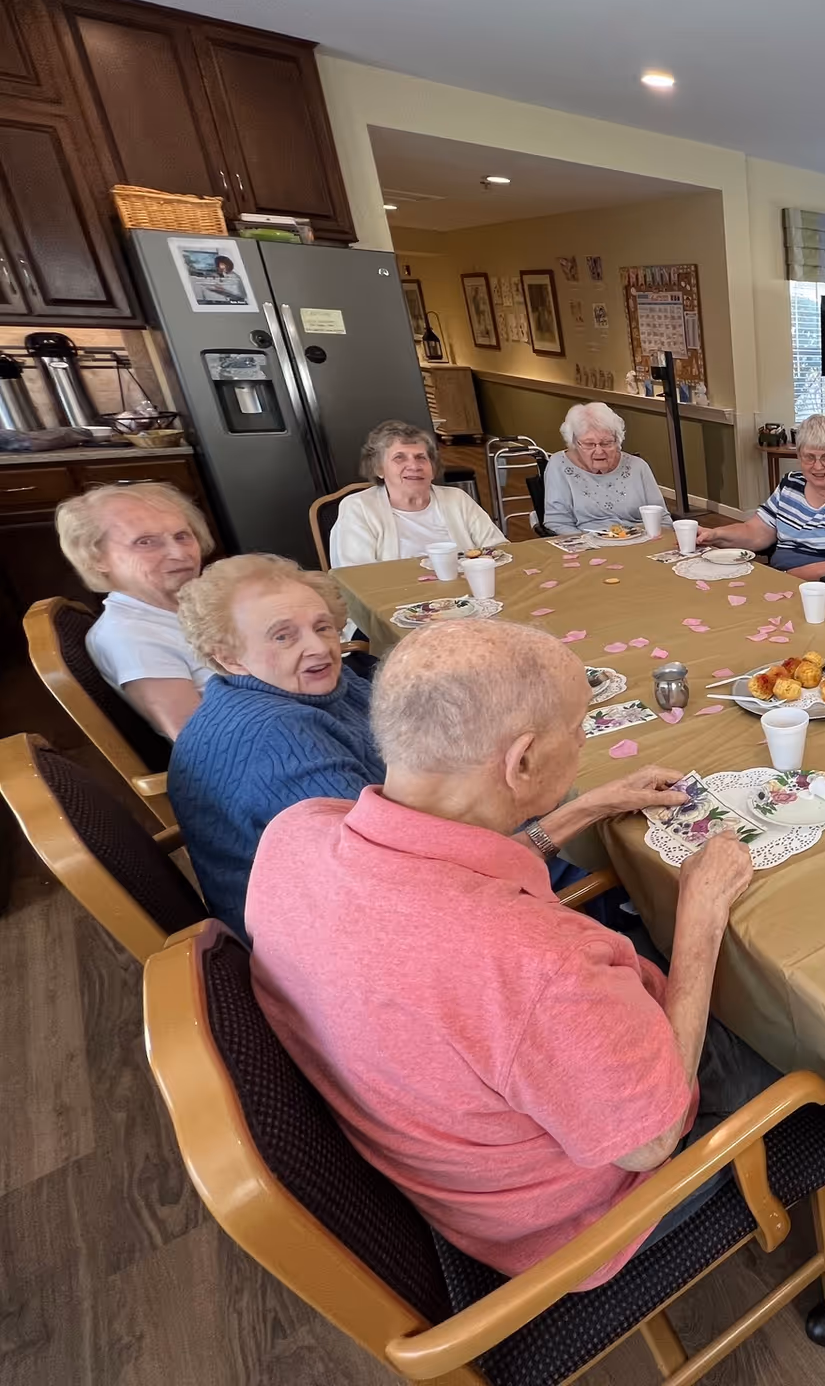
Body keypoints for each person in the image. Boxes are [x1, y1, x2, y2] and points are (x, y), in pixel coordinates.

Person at [247, 619, 778, 1289]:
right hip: (576, 1227)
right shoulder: (535, 963)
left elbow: (445, 882)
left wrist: (583, 812)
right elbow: (651, 1143)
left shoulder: (298, 832)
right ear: (521, 761)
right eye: (581, 730)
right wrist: (698, 919)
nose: (584, 746)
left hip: (450, 1157)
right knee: (789, 1038)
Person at [169, 556, 382, 938]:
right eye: (283, 636)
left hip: (346, 892)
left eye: (323, 627)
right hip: (318, 938)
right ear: (229, 657)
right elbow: (383, 866)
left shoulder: (321, 688)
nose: (319, 647)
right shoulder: (278, 735)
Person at [54, 481, 215, 739]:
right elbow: (201, 741)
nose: (179, 553)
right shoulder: (130, 637)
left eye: (182, 536)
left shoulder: (197, 603)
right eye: (146, 542)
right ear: (97, 559)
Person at [696, 414, 825, 579]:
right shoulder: (792, 484)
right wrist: (715, 535)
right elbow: (756, 532)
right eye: (809, 457)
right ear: (799, 456)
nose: (817, 467)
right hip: (784, 577)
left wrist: (782, 578)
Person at [329, 419, 505, 567]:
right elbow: (355, 577)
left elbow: (499, 549)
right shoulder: (359, 508)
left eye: (421, 457)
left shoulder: (457, 499)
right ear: (379, 468)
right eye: (400, 457)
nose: (414, 466)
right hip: (397, 602)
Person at [541, 401, 666, 535]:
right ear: (575, 444)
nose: (599, 451)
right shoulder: (559, 466)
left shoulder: (638, 466)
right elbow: (558, 523)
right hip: (588, 545)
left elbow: (662, 518)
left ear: (618, 441)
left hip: (640, 541)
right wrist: (589, 545)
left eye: (606, 443)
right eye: (589, 444)